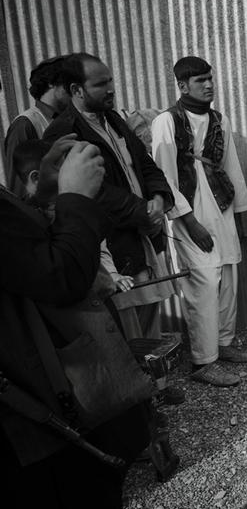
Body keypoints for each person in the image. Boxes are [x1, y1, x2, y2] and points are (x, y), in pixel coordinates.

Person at [1, 137, 150, 509]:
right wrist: (75, 199)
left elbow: (20, 256)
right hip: (36, 415)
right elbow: (58, 276)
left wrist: (44, 197)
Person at [43, 53, 175, 335]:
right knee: (127, 328)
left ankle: (154, 367)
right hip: (112, 248)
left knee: (151, 321)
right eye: (100, 84)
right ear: (77, 90)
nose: (111, 89)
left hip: (143, 237)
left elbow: (145, 164)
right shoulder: (64, 132)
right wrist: (142, 211)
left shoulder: (113, 120)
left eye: (110, 81)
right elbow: (92, 192)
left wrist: (158, 198)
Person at [150, 56, 247, 387]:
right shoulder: (166, 121)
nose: (208, 85)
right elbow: (164, 176)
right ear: (182, 86)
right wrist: (189, 221)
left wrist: (238, 214)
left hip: (220, 203)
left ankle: (223, 343)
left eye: (210, 78)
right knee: (204, 281)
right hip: (188, 208)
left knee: (228, 274)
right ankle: (203, 360)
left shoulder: (218, 119)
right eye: (200, 81)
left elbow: (231, 165)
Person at [3, 55, 71, 196]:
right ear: (51, 83)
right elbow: (20, 188)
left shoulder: (70, 119)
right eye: (69, 83)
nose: (75, 90)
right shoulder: (25, 124)